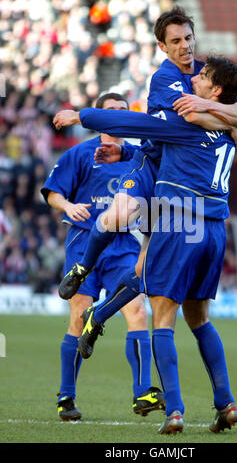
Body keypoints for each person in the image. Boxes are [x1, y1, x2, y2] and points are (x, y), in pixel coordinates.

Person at [53, 7, 237, 434]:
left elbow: (137, 121)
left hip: (178, 213)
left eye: (188, 39)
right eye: (176, 42)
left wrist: (83, 116)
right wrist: (216, 110)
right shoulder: (202, 105)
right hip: (212, 222)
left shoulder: (189, 114)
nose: (187, 53)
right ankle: (226, 403)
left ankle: (173, 409)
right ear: (164, 45)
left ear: (214, 88)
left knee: (161, 312)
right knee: (196, 316)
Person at [41, 92, 165, 421]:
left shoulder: (139, 155)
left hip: (123, 244)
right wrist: (69, 206)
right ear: (98, 115)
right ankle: (66, 397)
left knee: (138, 311)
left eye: (122, 111)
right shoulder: (79, 154)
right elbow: (53, 192)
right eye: (110, 111)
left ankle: (143, 393)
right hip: (84, 241)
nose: (116, 116)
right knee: (78, 315)